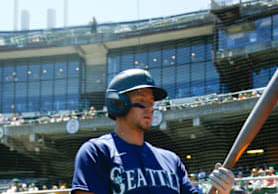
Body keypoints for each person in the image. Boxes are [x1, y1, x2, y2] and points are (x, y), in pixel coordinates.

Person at [71, 68, 235, 194]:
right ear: (118, 103)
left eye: (152, 102)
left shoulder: (170, 160)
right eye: (142, 100)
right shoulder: (97, 152)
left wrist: (220, 191)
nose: (150, 108)